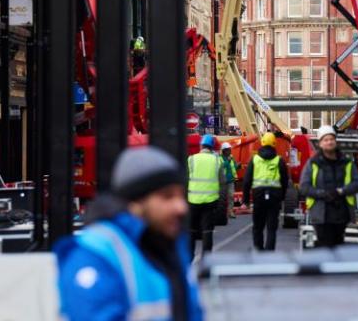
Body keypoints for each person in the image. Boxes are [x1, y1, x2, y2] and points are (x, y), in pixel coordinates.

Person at [56, 146, 203, 321]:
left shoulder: (170, 245)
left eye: (181, 196)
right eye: (167, 197)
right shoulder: (95, 255)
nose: (181, 207)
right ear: (135, 202)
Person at [299, 126, 358, 248]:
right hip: (321, 214)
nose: (329, 142)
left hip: (342, 213)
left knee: (338, 246)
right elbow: (304, 186)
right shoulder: (313, 163)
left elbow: (356, 183)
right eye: (325, 140)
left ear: (336, 141)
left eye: (331, 139)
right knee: (325, 246)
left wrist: (341, 191)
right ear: (320, 144)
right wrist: (322, 193)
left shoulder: (346, 162)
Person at [243, 132, 289, 251]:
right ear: (274, 143)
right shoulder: (279, 160)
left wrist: (246, 200)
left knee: (257, 227)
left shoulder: (255, 160)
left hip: (258, 196)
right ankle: (269, 253)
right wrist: (282, 197)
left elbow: (247, 181)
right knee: (271, 228)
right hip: (274, 197)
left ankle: (258, 250)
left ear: (262, 142)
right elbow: (285, 181)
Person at [187, 134, 224, 259]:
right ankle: (206, 259)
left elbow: (186, 179)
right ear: (212, 147)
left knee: (191, 230)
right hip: (210, 200)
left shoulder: (191, 159)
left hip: (193, 200)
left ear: (201, 145)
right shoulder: (217, 160)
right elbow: (222, 181)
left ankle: (189, 257)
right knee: (207, 230)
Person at [220, 142, 240, 220]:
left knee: (231, 196)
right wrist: (227, 161)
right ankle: (223, 212)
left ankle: (230, 211)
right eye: (228, 150)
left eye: (230, 149)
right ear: (224, 151)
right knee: (223, 198)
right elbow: (221, 167)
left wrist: (238, 166)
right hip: (223, 181)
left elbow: (234, 167)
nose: (230, 151)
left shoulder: (231, 158)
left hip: (231, 180)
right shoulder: (220, 158)